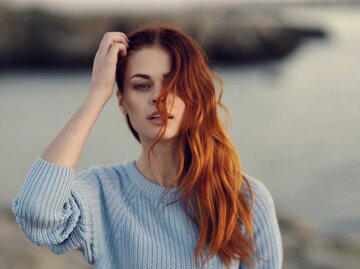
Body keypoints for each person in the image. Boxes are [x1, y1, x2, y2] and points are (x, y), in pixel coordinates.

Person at [12, 24, 283, 269]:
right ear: (122, 102)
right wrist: (96, 95)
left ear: (195, 96)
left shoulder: (244, 199)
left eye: (173, 83)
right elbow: (36, 213)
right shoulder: (102, 193)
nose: (159, 97)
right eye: (142, 85)